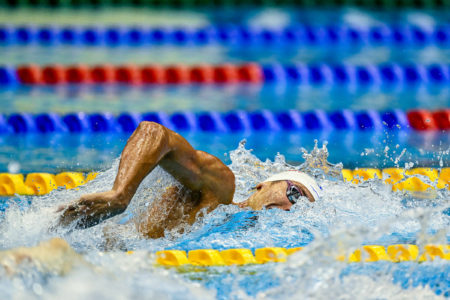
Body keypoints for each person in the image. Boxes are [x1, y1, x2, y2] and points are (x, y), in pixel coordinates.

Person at [58, 122, 322, 239]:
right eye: (294, 194)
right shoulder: (218, 190)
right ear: (262, 185)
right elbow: (154, 132)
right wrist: (120, 195)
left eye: (301, 208)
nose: (290, 208)